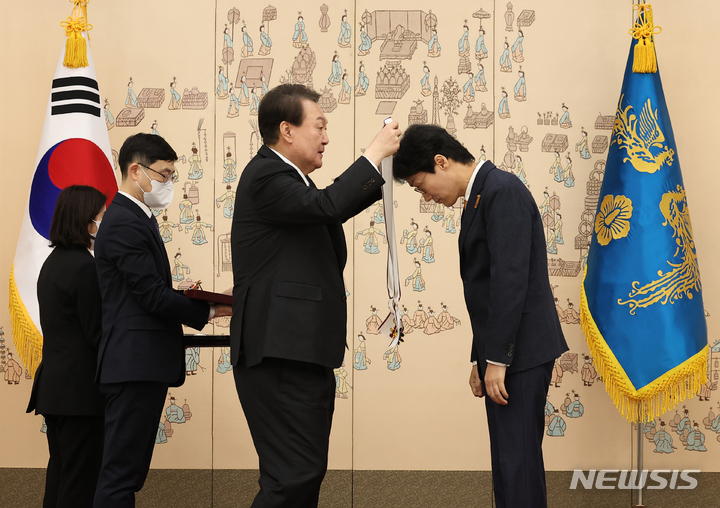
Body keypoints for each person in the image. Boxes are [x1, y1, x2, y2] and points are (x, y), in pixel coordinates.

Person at [230, 83, 400, 507]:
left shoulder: (292, 181)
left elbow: (325, 206)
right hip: (281, 355)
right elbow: (328, 206)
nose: (326, 137)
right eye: (319, 126)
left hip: (300, 353)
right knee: (293, 477)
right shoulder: (266, 174)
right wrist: (373, 154)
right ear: (286, 130)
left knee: (301, 476)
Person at [393, 124, 568, 508]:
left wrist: (497, 359)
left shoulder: (501, 191)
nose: (426, 197)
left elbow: (509, 281)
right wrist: (481, 358)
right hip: (508, 352)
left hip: (521, 352)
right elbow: (486, 291)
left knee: (518, 466)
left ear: (441, 162)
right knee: (509, 465)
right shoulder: (482, 195)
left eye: (422, 186)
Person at [93, 133, 232, 507]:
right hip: (133, 364)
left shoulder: (137, 218)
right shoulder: (124, 221)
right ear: (135, 171)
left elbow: (147, 290)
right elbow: (151, 295)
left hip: (141, 364)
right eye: (164, 175)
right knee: (120, 475)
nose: (168, 183)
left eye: (172, 175)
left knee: (129, 473)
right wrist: (211, 310)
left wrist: (197, 299)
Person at [27, 185, 108, 508]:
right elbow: (97, 333)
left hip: (56, 390)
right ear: (86, 221)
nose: (104, 223)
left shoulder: (53, 263)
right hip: (81, 395)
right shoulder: (84, 267)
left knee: (61, 475)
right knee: (79, 483)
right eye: (101, 216)